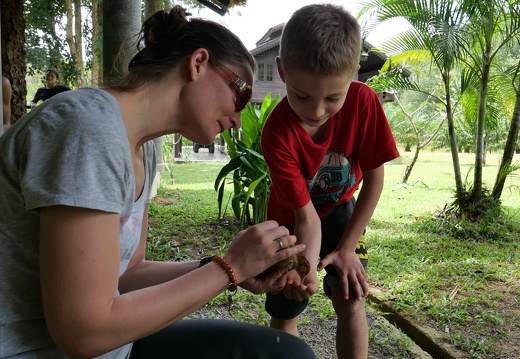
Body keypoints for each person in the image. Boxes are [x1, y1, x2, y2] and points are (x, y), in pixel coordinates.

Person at [0, 6, 316, 359]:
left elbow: (128, 274)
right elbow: (84, 334)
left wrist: (230, 268)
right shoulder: (87, 128)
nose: (239, 121)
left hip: (119, 349)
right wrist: (230, 268)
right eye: (240, 94)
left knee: (287, 353)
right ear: (198, 63)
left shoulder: (143, 146)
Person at [259, 4, 400, 359]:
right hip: (289, 220)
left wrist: (348, 247)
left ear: (353, 74)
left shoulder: (364, 102)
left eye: (333, 98)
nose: (317, 110)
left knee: (351, 296)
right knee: (287, 305)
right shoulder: (277, 132)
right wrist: (303, 268)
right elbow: (305, 217)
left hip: (341, 211)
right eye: (301, 95)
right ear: (281, 71)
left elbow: (374, 179)